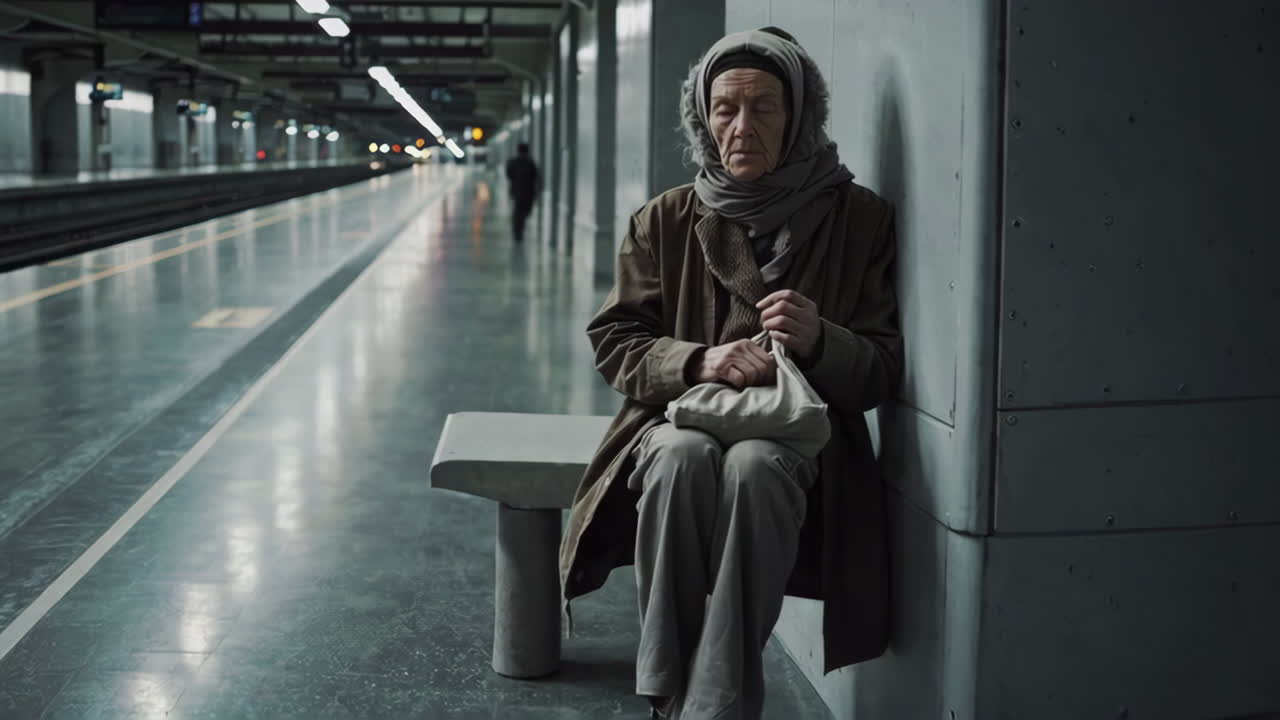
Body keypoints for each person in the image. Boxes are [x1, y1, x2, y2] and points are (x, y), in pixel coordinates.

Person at [558, 27, 904, 720]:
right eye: (724, 108)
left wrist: (819, 341)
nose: (741, 127)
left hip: (798, 435)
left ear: (800, 117)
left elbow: (881, 371)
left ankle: (711, 704)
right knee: (681, 458)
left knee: (755, 468)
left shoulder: (859, 220)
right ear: (702, 118)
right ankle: (670, 687)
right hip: (681, 418)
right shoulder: (666, 219)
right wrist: (697, 360)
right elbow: (616, 340)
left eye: (764, 108)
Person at [505, 142, 541, 242]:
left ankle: (517, 229)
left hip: (517, 191)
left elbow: (509, 175)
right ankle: (519, 229)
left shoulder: (513, 162)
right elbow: (535, 177)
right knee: (524, 211)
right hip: (528, 192)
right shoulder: (530, 163)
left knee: (518, 211)